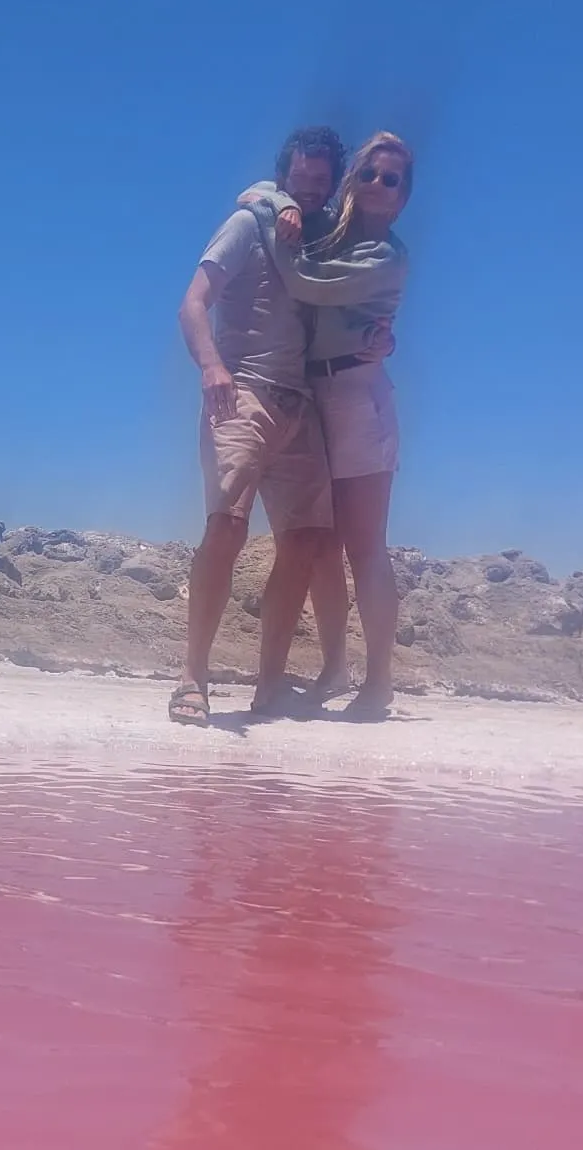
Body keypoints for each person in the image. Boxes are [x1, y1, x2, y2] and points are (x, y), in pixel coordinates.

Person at [169, 127, 351, 724]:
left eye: (323, 179)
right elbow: (194, 301)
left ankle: (269, 684)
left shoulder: (319, 240)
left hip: (302, 408)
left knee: (304, 542)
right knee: (227, 527)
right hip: (242, 392)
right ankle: (190, 679)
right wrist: (211, 365)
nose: (314, 187)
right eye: (303, 176)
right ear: (286, 173)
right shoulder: (248, 224)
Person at [238, 132, 415, 718]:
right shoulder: (327, 231)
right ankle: (335, 666)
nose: (377, 186)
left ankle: (379, 682)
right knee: (321, 544)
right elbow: (269, 190)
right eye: (369, 173)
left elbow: (306, 283)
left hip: (359, 399)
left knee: (365, 546)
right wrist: (274, 198)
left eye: (392, 180)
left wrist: (266, 216)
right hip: (313, 394)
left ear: (403, 196)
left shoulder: (385, 256)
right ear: (351, 181)